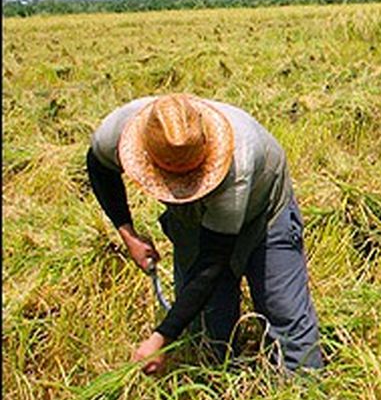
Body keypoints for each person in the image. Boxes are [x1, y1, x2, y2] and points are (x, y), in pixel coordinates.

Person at [87, 93, 325, 374]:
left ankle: (301, 393)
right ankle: (217, 392)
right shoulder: (120, 131)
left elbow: (212, 263)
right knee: (206, 328)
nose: (180, 185)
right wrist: (128, 234)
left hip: (264, 213)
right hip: (192, 221)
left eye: (188, 178)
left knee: (285, 315)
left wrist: (161, 336)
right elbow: (99, 168)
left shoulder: (238, 163)